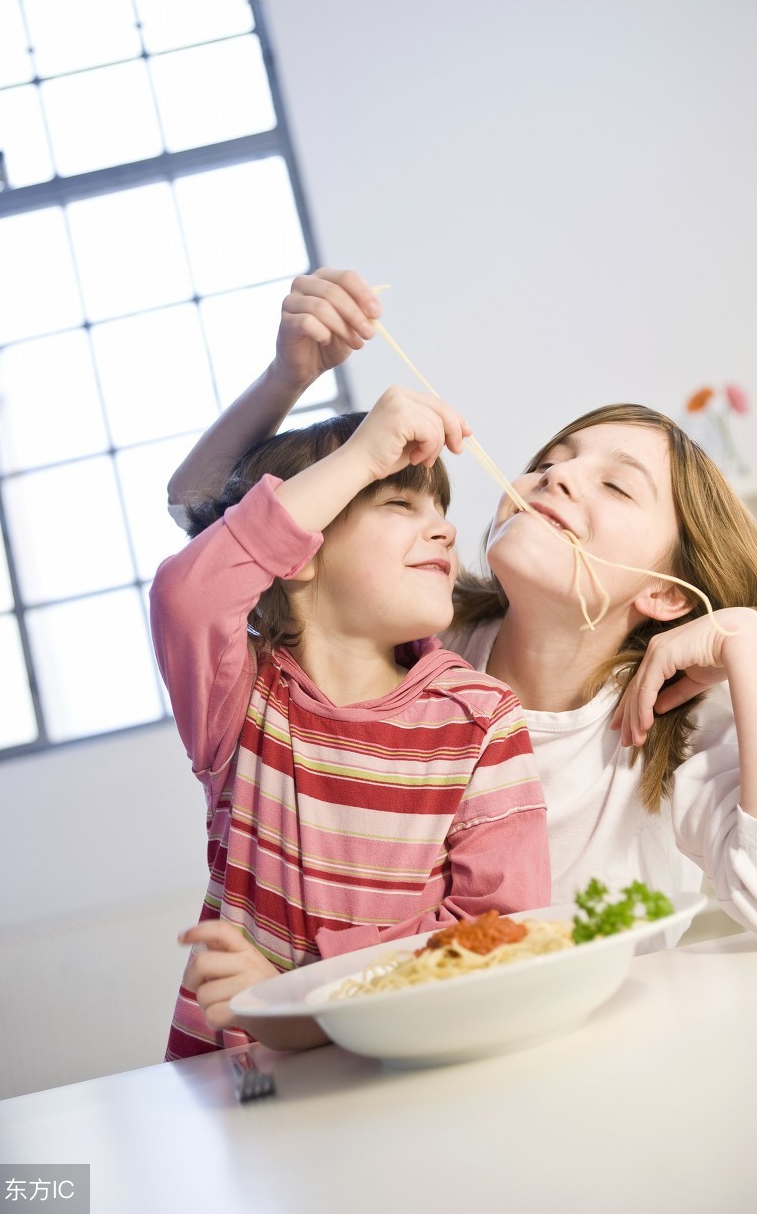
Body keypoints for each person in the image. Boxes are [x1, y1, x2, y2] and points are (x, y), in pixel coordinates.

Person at [168, 268, 757, 952]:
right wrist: (285, 377)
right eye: (550, 460)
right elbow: (205, 521)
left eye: (616, 486)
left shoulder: (675, 734)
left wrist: (751, 640)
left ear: (664, 593)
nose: (553, 475)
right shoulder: (409, 639)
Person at [151, 385, 549, 1059]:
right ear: (296, 553)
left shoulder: (479, 716)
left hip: (400, 1065)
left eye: (441, 508)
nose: (445, 528)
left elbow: (500, 926)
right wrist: (364, 455)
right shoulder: (243, 697)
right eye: (398, 502)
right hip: (240, 1081)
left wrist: (300, 996)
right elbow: (187, 592)